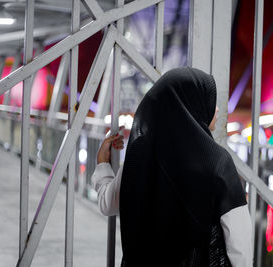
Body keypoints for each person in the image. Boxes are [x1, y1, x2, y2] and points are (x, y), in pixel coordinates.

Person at [92, 67, 253, 267]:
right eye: (209, 99)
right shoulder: (217, 162)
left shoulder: (140, 156)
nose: (217, 109)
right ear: (189, 104)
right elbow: (240, 245)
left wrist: (102, 165)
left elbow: (107, 203)